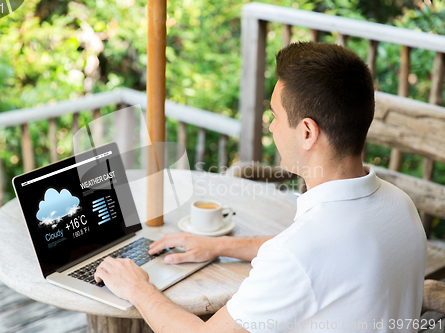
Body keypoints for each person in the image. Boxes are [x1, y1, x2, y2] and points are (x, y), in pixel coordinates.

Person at [94, 42, 427, 332]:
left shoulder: (301, 252)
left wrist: (137, 287)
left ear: (307, 132)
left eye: (276, 116)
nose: (271, 127)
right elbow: (323, 257)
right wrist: (219, 246)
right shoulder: (399, 206)